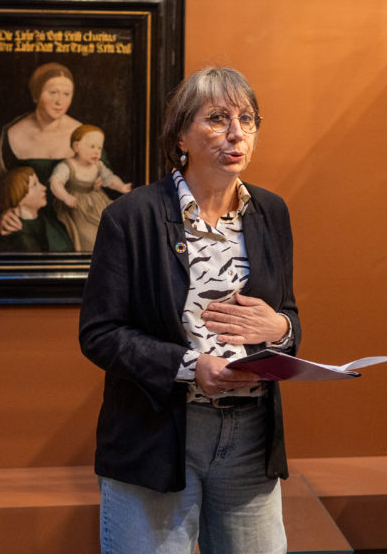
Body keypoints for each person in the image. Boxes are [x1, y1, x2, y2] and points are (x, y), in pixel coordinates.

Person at [79, 67, 300, 554]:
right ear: (181, 133)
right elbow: (100, 333)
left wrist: (281, 329)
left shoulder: (271, 213)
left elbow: (286, 317)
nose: (237, 133)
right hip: (158, 433)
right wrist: (190, 367)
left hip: (250, 437)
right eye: (218, 119)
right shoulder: (130, 217)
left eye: (247, 119)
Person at [0, 62, 81, 251]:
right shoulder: (12, 132)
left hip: (73, 222)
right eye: (52, 93)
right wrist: (4, 213)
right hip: (25, 221)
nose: (59, 101)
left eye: (66, 94)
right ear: (36, 94)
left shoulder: (82, 135)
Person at [50, 124, 132, 250]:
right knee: (88, 233)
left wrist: (122, 187)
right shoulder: (67, 166)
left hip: (97, 202)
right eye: (92, 146)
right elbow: (55, 183)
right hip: (76, 206)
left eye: (99, 148)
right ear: (76, 146)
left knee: (110, 225)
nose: (96, 151)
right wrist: (66, 197)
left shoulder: (98, 165)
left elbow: (110, 179)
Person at [0, 167, 50, 252]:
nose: (44, 187)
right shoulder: (19, 236)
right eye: (34, 185)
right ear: (19, 197)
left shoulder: (45, 221)